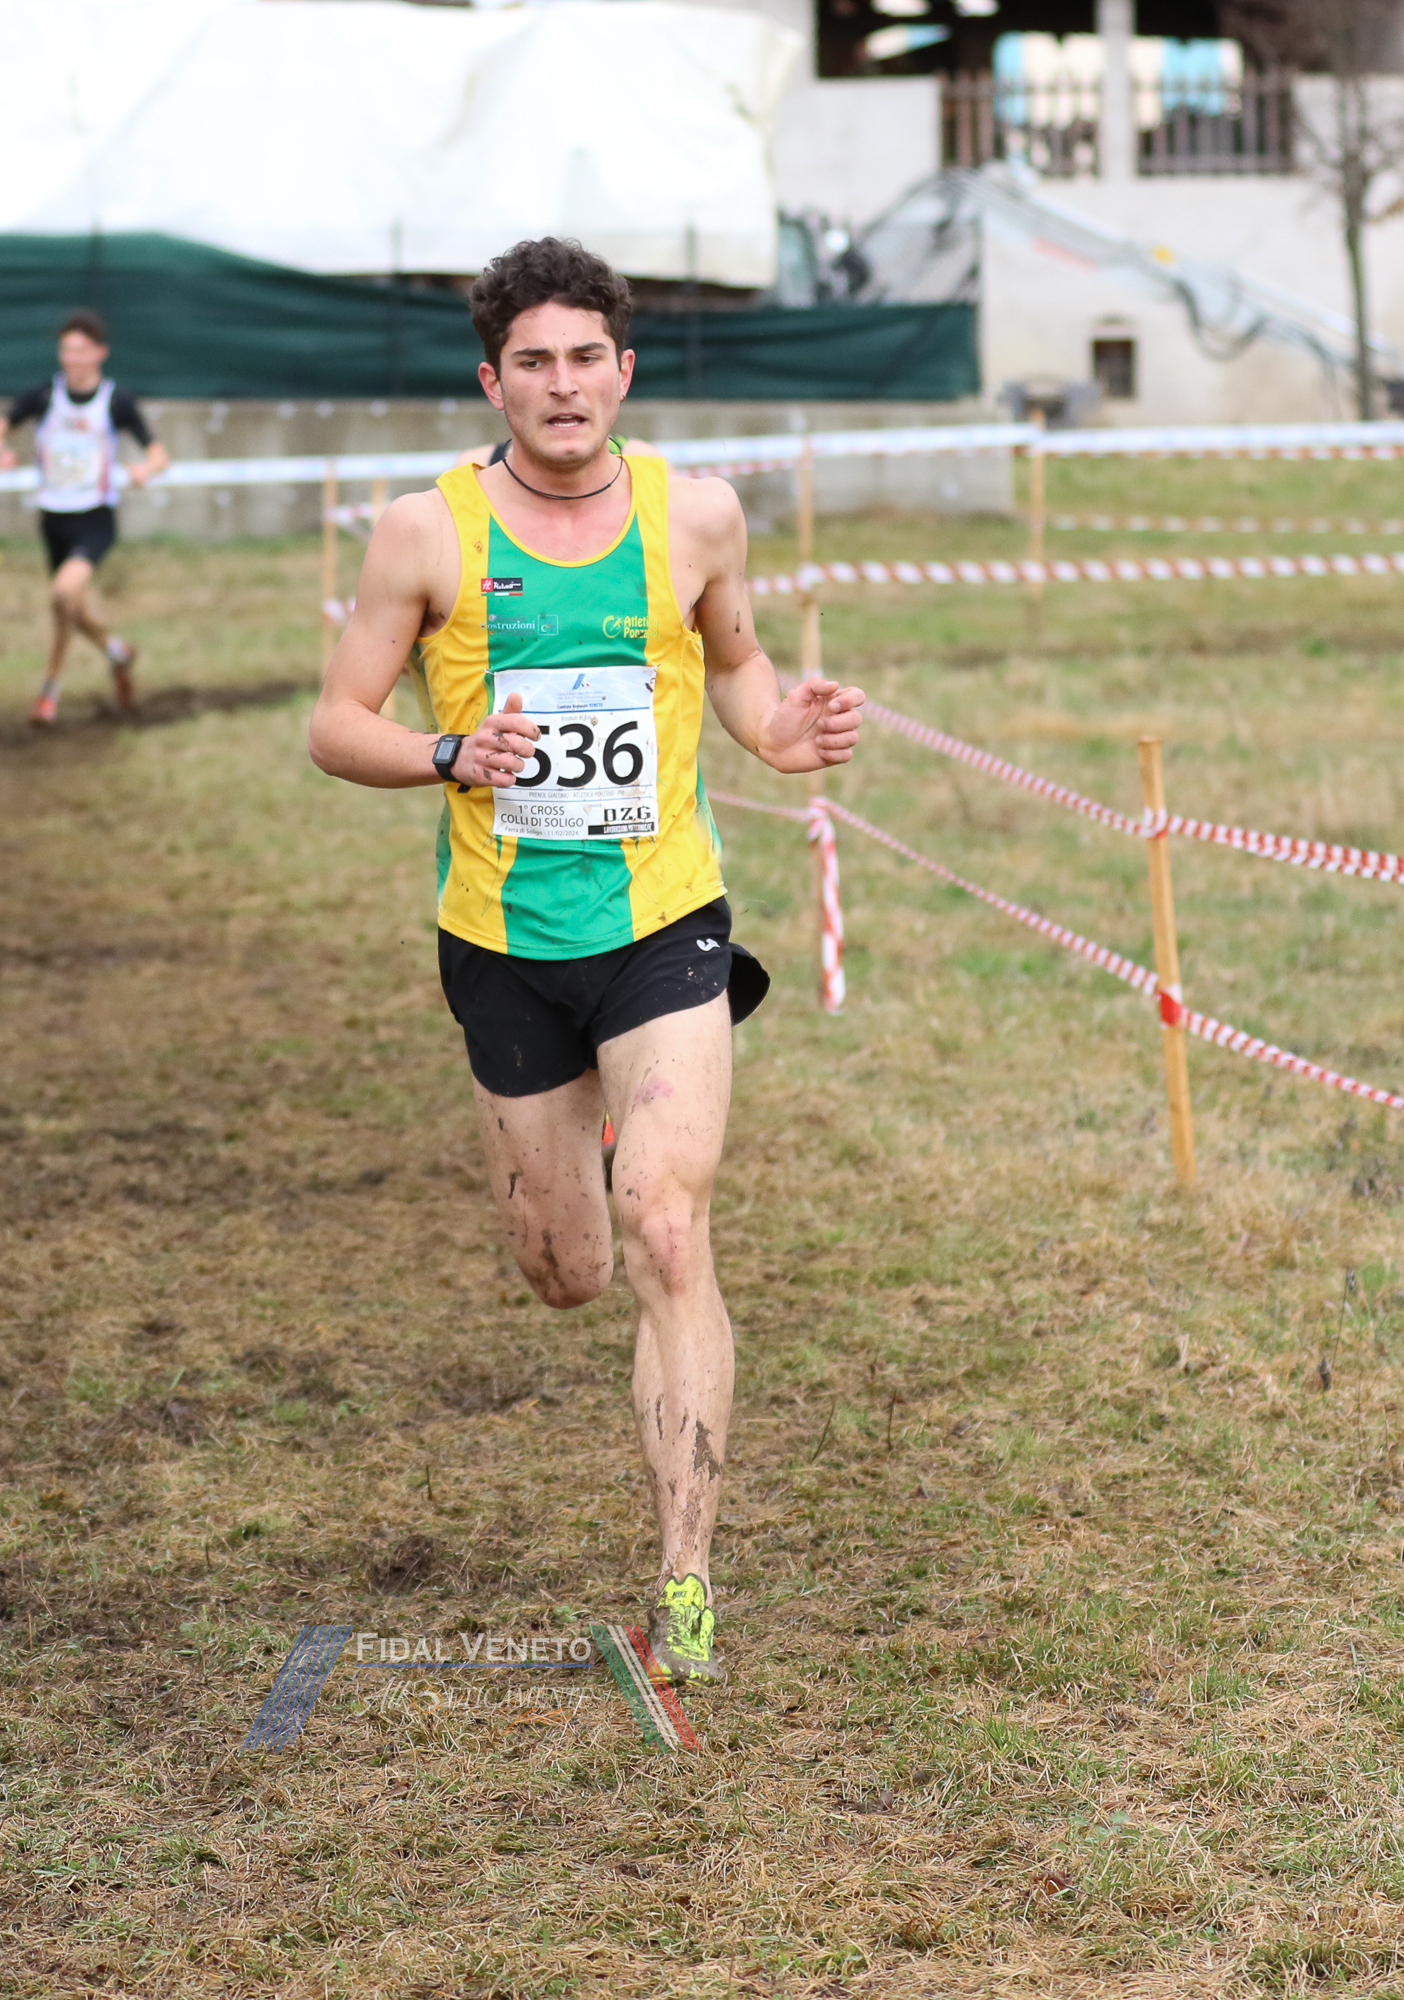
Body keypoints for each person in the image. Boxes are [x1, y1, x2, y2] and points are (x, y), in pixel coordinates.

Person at [307, 238, 864, 1687]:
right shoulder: (424, 533)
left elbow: (734, 662)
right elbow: (335, 723)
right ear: (492, 382)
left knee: (667, 1225)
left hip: (665, 921)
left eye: (585, 359)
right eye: (533, 363)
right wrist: (448, 752)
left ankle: (687, 1576)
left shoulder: (699, 514)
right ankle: (597, 1166)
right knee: (567, 1269)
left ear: (625, 370)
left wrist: (778, 729)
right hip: (504, 943)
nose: (563, 386)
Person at [0, 311, 167, 725]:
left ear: (100, 353)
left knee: (64, 593)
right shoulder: (44, 396)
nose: (73, 358)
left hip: (94, 517)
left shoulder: (116, 401)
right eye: (66, 350)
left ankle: (49, 690)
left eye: (81, 350)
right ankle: (117, 651)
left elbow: (159, 454)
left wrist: (144, 470)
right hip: (53, 517)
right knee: (69, 605)